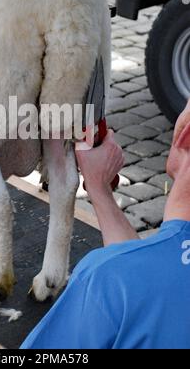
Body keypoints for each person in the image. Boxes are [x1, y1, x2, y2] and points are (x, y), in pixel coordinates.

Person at [21, 100, 190, 350]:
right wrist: (98, 186)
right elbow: (149, 276)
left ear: (186, 137)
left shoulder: (104, 279)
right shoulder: (126, 277)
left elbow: (129, 282)